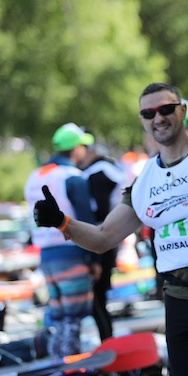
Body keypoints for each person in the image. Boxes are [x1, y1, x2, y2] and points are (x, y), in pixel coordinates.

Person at [32, 83, 188, 376]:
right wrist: (61, 221)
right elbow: (103, 237)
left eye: (166, 109)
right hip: (177, 302)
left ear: (182, 110)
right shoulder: (145, 178)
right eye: (149, 113)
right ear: (142, 120)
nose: (158, 118)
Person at [24, 122, 99, 358]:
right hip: (72, 253)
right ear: (76, 149)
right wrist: (95, 258)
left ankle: (56, 359)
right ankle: (71, 363)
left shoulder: (34, 176)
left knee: (58, 316)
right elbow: (86, 220)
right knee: (74, 316)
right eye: (83, 146)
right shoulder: (73, 176)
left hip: (46, 256)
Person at [78, 132, 126, 341]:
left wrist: (94, 258)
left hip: (105, 240)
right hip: (110, 237)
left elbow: (101, 214)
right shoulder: (107, 167)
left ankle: (108, 343)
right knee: (99, 299)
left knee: (97, 299)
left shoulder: (99, 172)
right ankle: (107, 342)